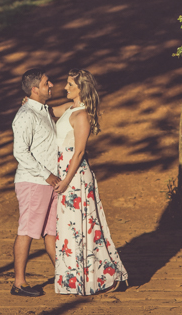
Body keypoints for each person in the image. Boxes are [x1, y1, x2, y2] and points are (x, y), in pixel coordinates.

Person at [52, 69, 128, 295]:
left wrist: (65, 181)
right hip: (66, 175)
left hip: (75, 179)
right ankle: (77, 279)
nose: (65, 88)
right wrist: (31, 101)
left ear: (80, 89)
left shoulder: (82, 115)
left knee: (84, 227)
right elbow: (50, 111)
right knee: (70, 229)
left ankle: (108, 277)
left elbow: (79, 152)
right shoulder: (69, 108)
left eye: (69, 85)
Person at [10, 67, 60, 297]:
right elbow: (20, 152)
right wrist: (47, 174)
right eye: (47, 83)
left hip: (49, 183)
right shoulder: (25, 115)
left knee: (52, 232)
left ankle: (65, 276)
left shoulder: (43, 110)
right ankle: (19, 284)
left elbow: (65, 109)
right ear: (34, 89)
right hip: (33, 181)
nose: (51, 85)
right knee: (27, 231)